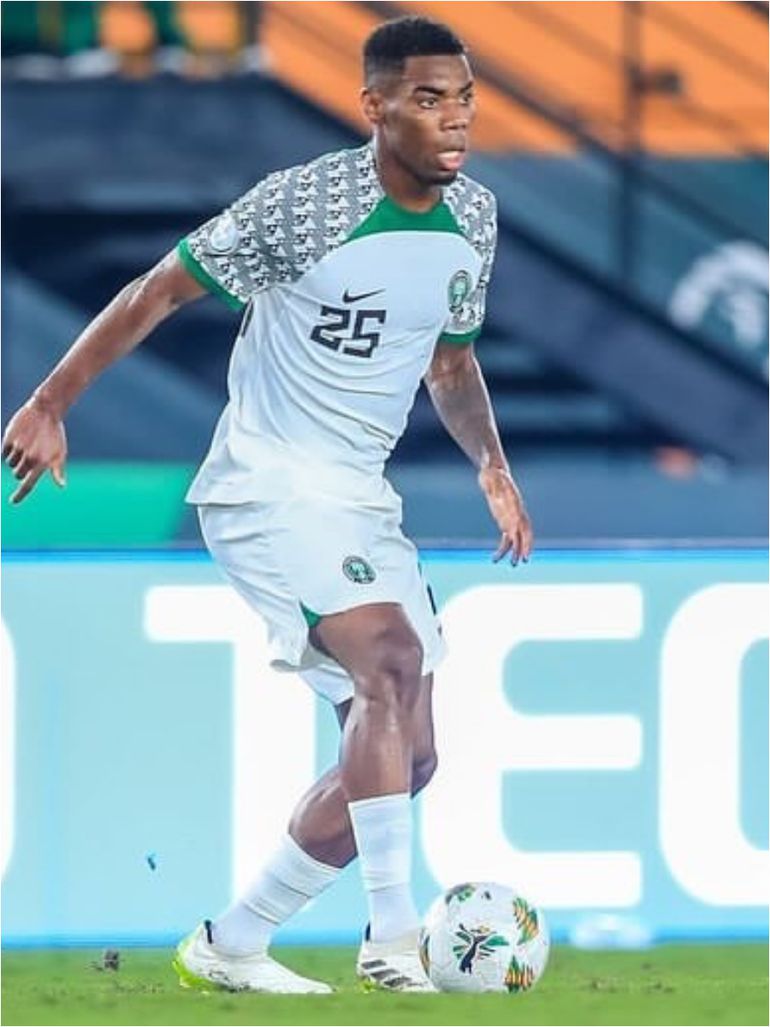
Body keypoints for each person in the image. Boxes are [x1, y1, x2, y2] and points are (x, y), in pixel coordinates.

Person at [2, 15, 532, 994]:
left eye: (463, 98)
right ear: (374, 107)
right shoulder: (304, 205)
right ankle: (393, 934)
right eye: (427, 99)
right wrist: (50, 401)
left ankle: (233, 939)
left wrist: (491, 467)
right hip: (268, 479)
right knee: (389, 658)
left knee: (410, 756)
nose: (454, 119)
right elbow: (158, 289)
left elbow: (451, 363)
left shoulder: (476, 220)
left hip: (360, 497)